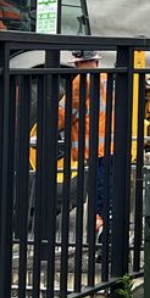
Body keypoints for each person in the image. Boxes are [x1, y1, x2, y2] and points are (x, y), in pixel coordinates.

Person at [58, 50, 113, 243]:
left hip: (94, 149)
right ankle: (109, 236)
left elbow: (63, 114)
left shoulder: (81, 82)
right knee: (108, 194)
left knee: (99, 196)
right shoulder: (107, 78)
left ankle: (104, 238)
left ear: (77, 63)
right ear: (96, 61)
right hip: (112, 147)